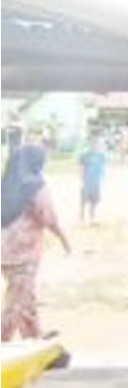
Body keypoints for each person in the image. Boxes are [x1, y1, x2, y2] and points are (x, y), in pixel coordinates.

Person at [2, 144, 71, 341]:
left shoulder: (4, 185)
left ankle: (33, 336)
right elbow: (48, 217)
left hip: (4, 252)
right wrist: (63, 239)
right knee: (16, 300)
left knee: (25, 294)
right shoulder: (36, 186)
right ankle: (2, 338)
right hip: (25, 252)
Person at [79, 135, 108, 226]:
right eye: (95, 143)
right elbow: (82, 168)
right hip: (87, 180)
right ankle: (82, 215)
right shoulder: (85, 155)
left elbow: (103, 167)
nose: (96, 145)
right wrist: (82, 179)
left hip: (97, 181)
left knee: (94, 200)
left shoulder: (102, 155)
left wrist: (103, 177)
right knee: (84, 199)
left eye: (99, 144)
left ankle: (92, 217)